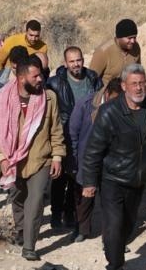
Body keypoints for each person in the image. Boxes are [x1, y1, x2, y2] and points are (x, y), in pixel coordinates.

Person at [81, 64, 146, 270]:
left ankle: (113, 249)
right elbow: (93, 150)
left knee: (128, 224)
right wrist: (89, 182)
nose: (139, 88)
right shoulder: (109, 112)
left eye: (142, 83)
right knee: (114, 225)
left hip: (139, 179)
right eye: (134, 84)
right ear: (124, 86)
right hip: (112, 178)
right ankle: (115, 264)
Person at [0, 56, 65, 261]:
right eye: (35, 76)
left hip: (41, 158)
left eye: (41, 74)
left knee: (36, 200)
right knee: (18, 198)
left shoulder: (49, 98)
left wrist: (57, 155)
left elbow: (56, 129)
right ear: (22, 78)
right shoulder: (0, 99)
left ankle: (29, 245)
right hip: (12, 160)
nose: (40, 79)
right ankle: (21, 231)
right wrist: (2, 157)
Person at [45, 46, 102, 230]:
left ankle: (70, 213)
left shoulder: (93, 79)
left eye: (79, 60)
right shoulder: (54, 83)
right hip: (63, 134)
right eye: (72, 61)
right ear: (65, 63)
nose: (76, 64)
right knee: (60, 177)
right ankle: (56, 213)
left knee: (76, 176)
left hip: (86, 135)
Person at [69, 77, 123, 243]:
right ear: (107, 94)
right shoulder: (85, 104)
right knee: (84, 197)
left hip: (111, 159)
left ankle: (112, 238)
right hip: (87, 157)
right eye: (114, 99)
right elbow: (73, 133)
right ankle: (82, 229)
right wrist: (74, 161)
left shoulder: (125, 106)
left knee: (111, 200)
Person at [89, 19, 142, 86]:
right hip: (107, 93)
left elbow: (138, 72)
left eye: (134, 37)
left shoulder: (135, 48)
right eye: (129, 38)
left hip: (129, 92)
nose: (133, 41)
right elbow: (91, 80)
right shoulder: (103, 51)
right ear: (119, 37)